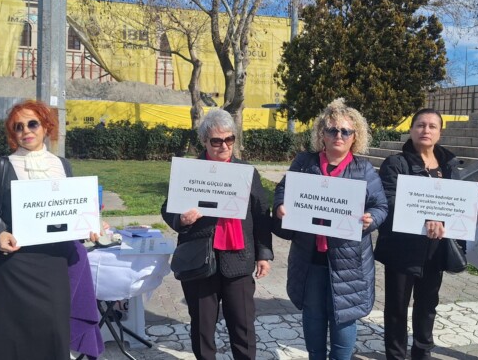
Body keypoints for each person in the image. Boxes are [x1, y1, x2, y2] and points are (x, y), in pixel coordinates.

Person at [0, 100, 103, 360]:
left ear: (46, 126)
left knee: (52, 332)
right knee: (11, 336)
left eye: (32, 123)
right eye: (18, 127)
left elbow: (68, 212)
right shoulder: (1, 166)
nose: (26, 130)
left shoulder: (62, 165)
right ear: (12, 133)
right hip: (16, 264)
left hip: (55, 264)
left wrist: (90, 225)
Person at [273, 98, 388, 360]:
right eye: (332, 130)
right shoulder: (305, 162)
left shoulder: (364, 168)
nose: (339, 135)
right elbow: (283, 189)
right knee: (313, 315)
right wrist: (280, 204)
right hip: (310, 256)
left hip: (349, 259)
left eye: (345, 131)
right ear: (321, 134)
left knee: (344, 319)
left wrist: (372, 218)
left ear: (354, 136)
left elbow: (381, 205)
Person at [161, 108, 273, 360]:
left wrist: (263, 253)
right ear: (204, 141)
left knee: (243, 326)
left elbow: (260, 214)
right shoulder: (190, 171)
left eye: (229, 139)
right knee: (202, 328)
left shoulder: (247, 172)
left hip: (238, 259)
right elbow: (168, 208)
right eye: (216, 141)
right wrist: (181, 219)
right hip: (200, 260)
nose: (224, 145)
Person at [374, 108, 461, 360]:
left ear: (439, 132)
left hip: (435, 249)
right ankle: (396, 355)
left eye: (432, 126)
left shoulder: (449, 165)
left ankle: (423, 353)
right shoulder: (396, 164)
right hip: (402, 249)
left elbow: (455, 204)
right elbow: (389, 200)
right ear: (411, 130)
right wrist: (426, 218)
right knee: (397, 308)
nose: (426, 130)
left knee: (427, 306)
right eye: (420, 125)